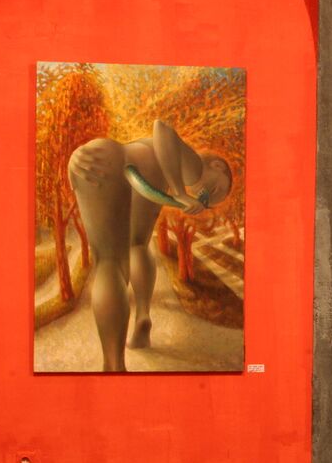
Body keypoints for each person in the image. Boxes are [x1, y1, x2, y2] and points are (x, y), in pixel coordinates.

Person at [67, 119, 232, 371]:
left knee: (111, 260)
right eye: (217, 190)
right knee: (137, 246)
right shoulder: (194, 166)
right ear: (217, 166)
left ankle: (114, 364)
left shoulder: (170, 165)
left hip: (105, 159)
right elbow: (161, 129)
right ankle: (141, 316)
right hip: (134, 164)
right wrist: (179, 191)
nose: (208, 199)